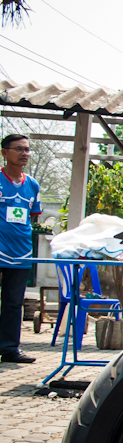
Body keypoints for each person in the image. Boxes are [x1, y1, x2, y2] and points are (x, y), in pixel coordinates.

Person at [0, 133, 39, 364]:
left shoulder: (32, 184)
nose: (24, 153)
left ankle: (9, 349)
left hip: (21, 253)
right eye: (19, 149)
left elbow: (31, 218)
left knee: (14, 303)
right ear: (4, 152)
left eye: (26, 149)